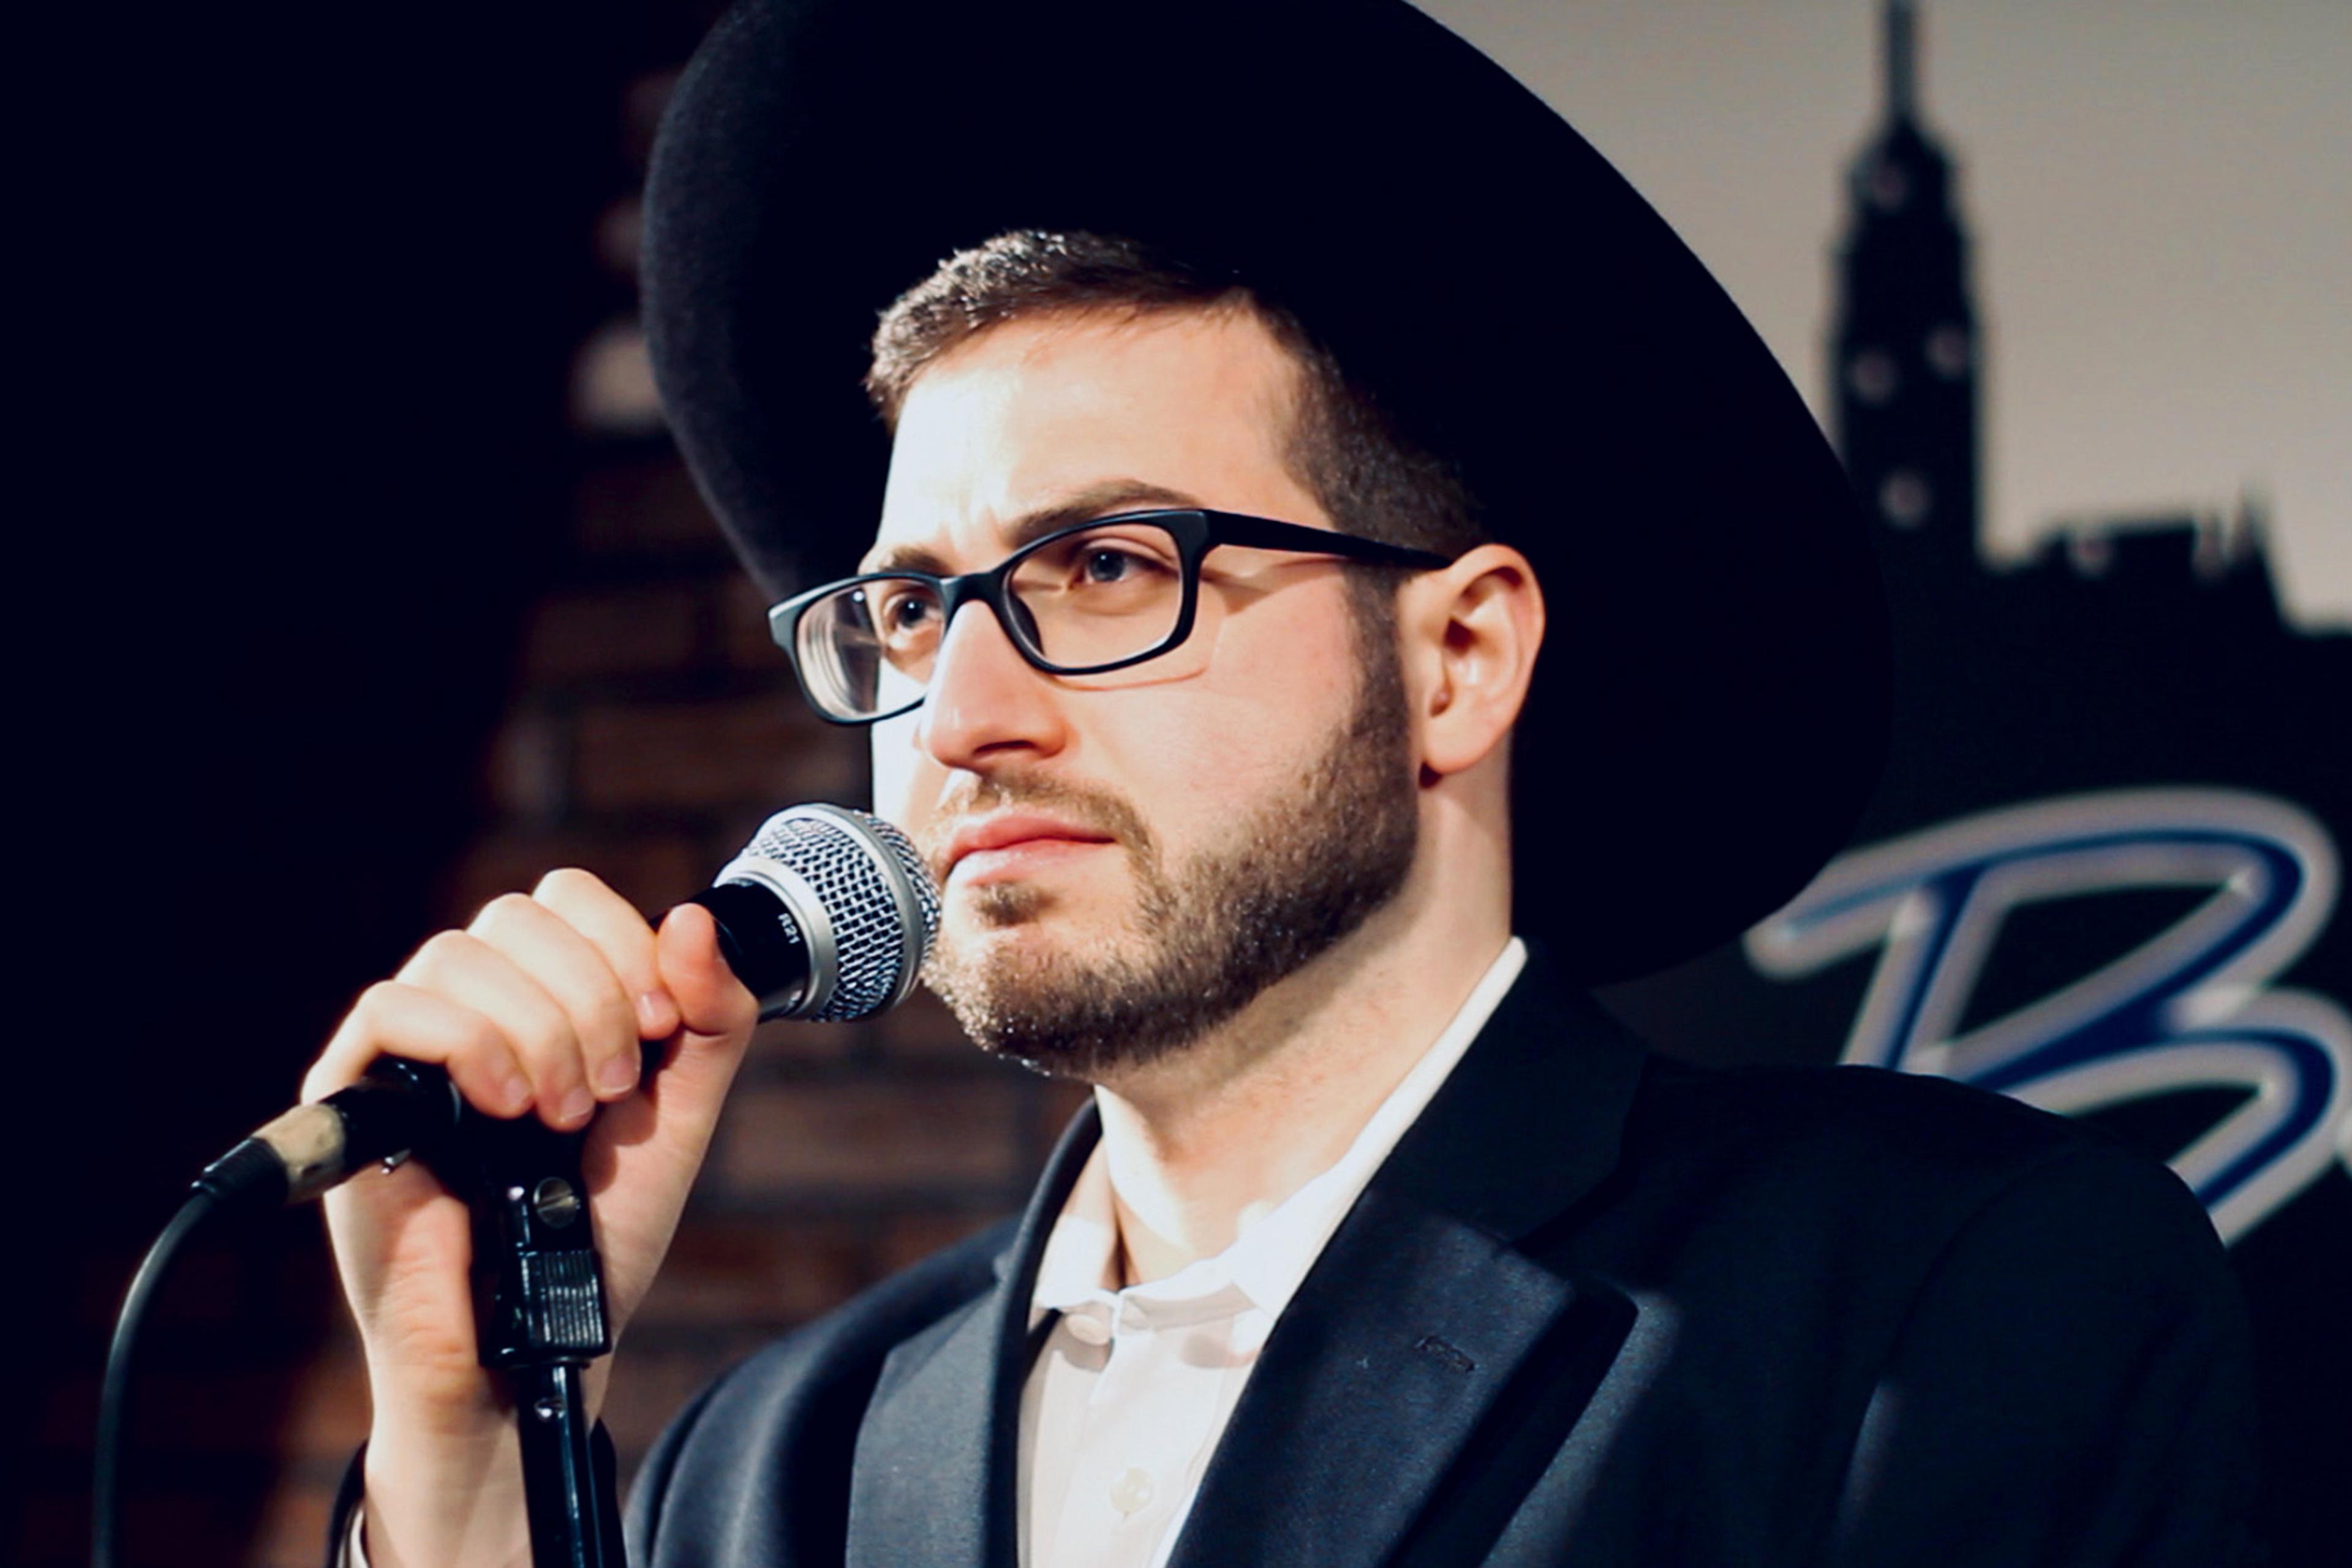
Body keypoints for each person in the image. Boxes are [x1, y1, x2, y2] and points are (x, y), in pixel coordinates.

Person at [311, 2, 2258, 1564]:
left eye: (1105, 568)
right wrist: (464, 1463)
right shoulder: (771, 1470)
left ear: (1460, 657)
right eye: (908, 612)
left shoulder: (1943, 1312)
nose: (959, 712)